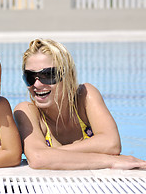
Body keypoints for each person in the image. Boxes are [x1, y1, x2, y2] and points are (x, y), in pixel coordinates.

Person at [14, 38, 146, 170]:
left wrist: (52, 155)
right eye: (30, 77)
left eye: (48, 75)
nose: (37, 84)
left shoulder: (85, 96)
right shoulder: (27, 112)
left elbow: (112, 143)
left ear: (67, 75)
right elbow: (38, 159)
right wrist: (110, 161)